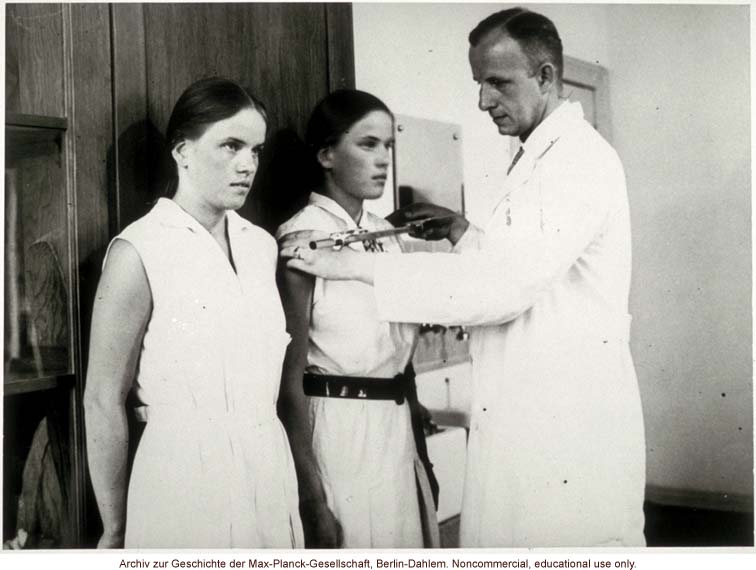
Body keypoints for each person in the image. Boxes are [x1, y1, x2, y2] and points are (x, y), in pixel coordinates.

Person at [281, 7, 646, 548]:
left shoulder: (577, 162)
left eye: (497, 83)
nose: (482, 102)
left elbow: (504, 286)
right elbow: (511, 263)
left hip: (562, 420)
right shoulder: (535, 160)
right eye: (479, 84)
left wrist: (353, 264)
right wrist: (465, 233)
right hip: (497, 415)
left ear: (546, 77)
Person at [84, 77, 304, 548]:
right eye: (231, 145)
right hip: (181, 479)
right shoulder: (138, 249)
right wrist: (115, 526)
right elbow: (102, 398)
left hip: (266, 467)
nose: (248, 165)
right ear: (182, 151)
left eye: (256, 150)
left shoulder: (260, 246)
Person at [275, 89, 439, 548]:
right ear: (327, 154)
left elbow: (399, 357)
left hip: (396, 429)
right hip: (338, 433)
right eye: (368, 144)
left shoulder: (388, 236)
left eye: (388, 145)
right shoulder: (302, 238)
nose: (383, 159)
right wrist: (311, 498)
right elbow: (287, 382)